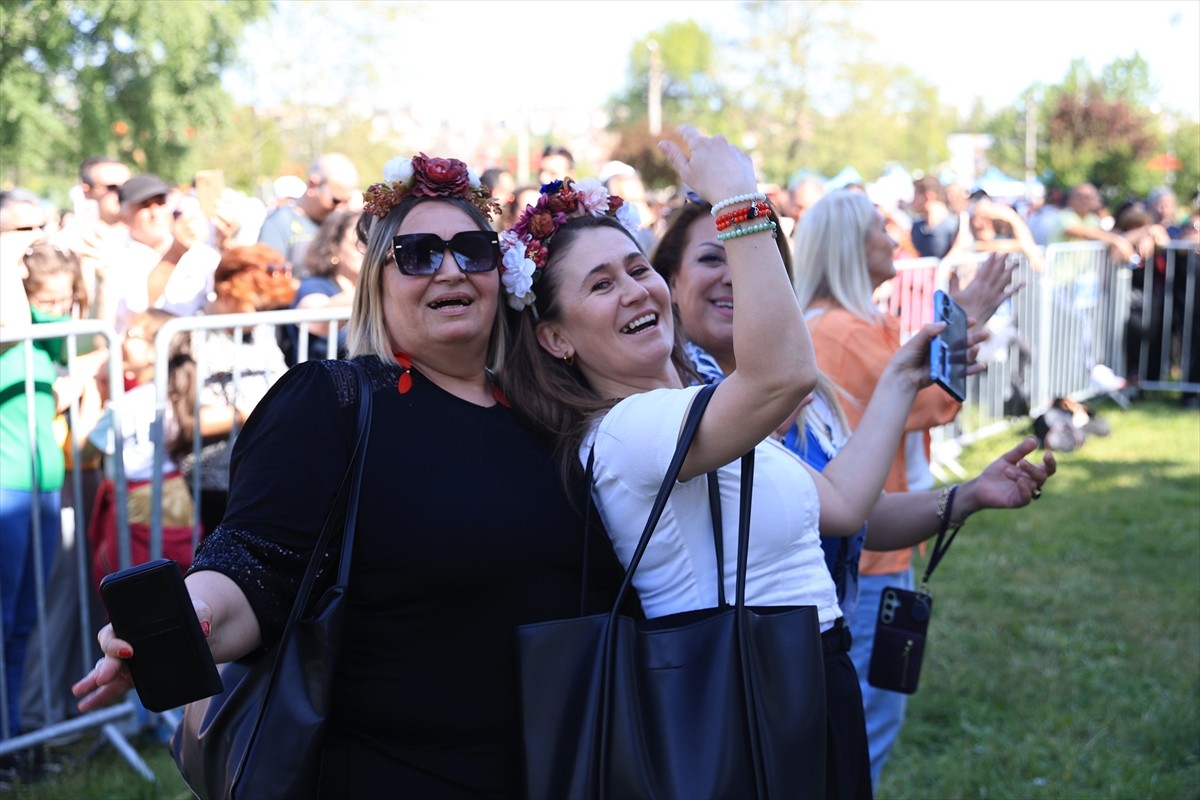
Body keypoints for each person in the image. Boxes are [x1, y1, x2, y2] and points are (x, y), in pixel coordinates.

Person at [73, 153, 631, 797]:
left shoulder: (553, 409)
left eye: (471, 250)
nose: (449, 268)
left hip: (568, 771)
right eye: (418, 254)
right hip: (396, 774)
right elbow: (255, 557)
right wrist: (193, 615)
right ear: (376, 282)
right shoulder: (334, 401)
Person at [499, 128, 875, 798]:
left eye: (638, 269)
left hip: (810, 678)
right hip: (743, 698)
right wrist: (736, 195)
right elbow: (784, 375)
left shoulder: (694, 410)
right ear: (555, 337)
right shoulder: (626, 433)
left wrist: (905, 378)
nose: (636, 291)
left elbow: (842, 507)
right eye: (601, 284)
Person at [652, 198, 1055, 622]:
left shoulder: (803, 382)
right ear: (670, 283)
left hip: (825, 637)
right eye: (712, 258)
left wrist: (969, 494)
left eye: (752, 262)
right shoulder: (674, 402)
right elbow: (925, 408)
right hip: (737, 659)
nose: (737, 276)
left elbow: (861, 509)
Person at [792, 188, 1018, 786]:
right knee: (867, 716)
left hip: (877, 532)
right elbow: (922, 401)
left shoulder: (855, 322)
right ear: (846, 244)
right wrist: (960, 321)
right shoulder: (840, 331)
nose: (896, 238)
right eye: (878, 229)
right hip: (868, 550)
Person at [184, 244, 295, 534]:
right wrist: (248, 413)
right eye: (253, 302)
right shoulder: (190, 336)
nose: (257, 312)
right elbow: (187, 419)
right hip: (215, 475)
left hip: (266, 467)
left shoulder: (258, 328)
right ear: (227, 288)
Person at [257, 153, 360, 274]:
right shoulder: (278, 222)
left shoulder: (338, 225)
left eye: (345, 201)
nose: (340, 208)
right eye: (335, 200)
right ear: (313, 184)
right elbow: (266, 275)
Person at [284, 208, 364, 364]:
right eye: (357, 243)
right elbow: (315, 320)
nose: (365, 250)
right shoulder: (313, 285)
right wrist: (370, 289)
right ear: (334, 247)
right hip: (322, 383)